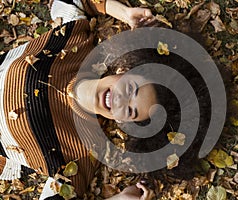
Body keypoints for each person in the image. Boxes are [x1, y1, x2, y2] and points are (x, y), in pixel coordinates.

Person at [0, 0, 156, 199]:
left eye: (130, 111)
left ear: (123, 122)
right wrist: (124, 13)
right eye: (130, 89)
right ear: (124, 71)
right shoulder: (76, 45)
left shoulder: (84, 150)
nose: (120, 101)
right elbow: (69, 3)